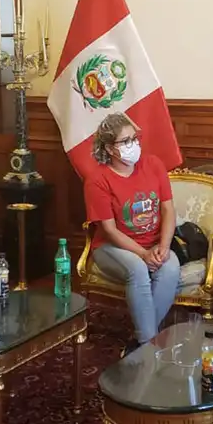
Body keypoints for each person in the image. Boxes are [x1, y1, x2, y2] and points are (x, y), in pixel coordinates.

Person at [84, 112, 181, 354]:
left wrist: (164, 246)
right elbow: (109, 229)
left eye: (134, 138)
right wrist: (142, 253)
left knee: (170, 267)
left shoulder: (153, 165)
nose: (133, 145)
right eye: (125, 141)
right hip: (112, 247)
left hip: (155, 243)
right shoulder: (97, 180)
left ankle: (140, 343)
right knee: (138, 269)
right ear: (109, 148)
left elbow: (168, 208)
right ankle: (149, 347)